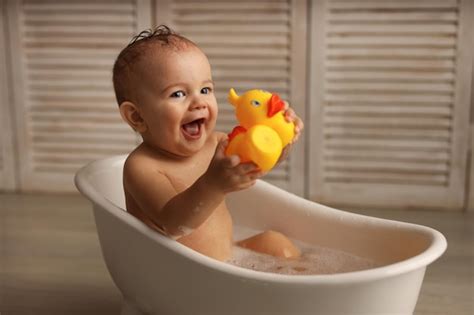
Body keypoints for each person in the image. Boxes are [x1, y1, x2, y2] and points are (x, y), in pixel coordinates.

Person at [113, 26, 304, 262]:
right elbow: (173, 224)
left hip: (228, 257)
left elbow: (257, 163)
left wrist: (281, 139)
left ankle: (309, 291)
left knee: (276, 243)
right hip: (180, 274)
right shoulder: (142, 167)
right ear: (137, 117)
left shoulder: (217, 144)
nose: (199, 102)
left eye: (205, 89)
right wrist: (213, 185)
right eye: (178, 94)